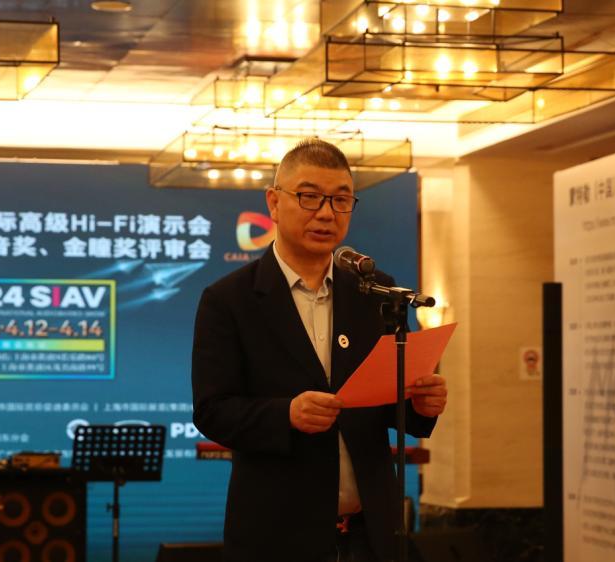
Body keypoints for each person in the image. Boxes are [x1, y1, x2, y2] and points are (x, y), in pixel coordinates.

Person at [191, 139, 448, 562]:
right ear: (274, 203)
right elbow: (211, 410)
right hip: (277, 534)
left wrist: (421, 404)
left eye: (341, 200)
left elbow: (385, 404)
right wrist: (286, 414)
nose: (326, 213)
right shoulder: (229, 299)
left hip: (371, 534)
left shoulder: (374, 291)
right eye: (309, 197)